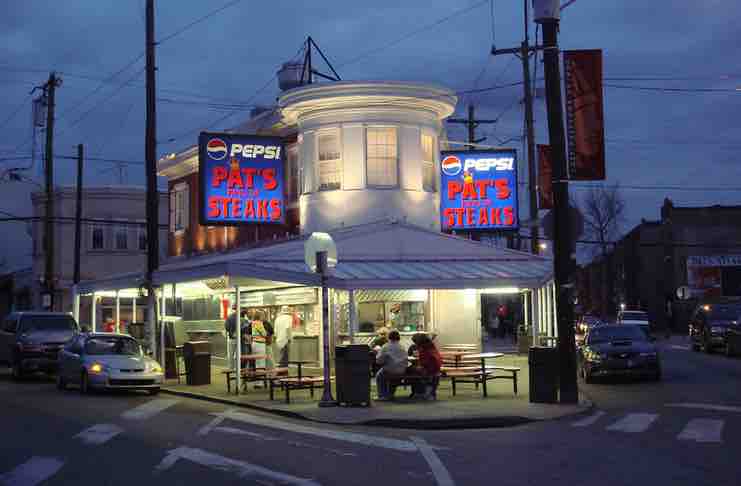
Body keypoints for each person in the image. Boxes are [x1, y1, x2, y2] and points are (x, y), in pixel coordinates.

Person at [375, 330, 408, 400]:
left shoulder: (385, 347)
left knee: (379, 376)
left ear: (388, 337)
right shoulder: (402, 347)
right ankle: (390, 394)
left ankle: (382, 395)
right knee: (393, 378)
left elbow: (379, 361)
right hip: (402, 370)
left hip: (390, 369)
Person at [409, 333, 442, 400]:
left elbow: (423, 363)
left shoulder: (424, 349)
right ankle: (423, 392)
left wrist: (418, 366)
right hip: (436, 369)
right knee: (414, 370)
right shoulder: (432, 347)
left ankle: (418, 392)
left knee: (410, 370)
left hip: (429, 370)